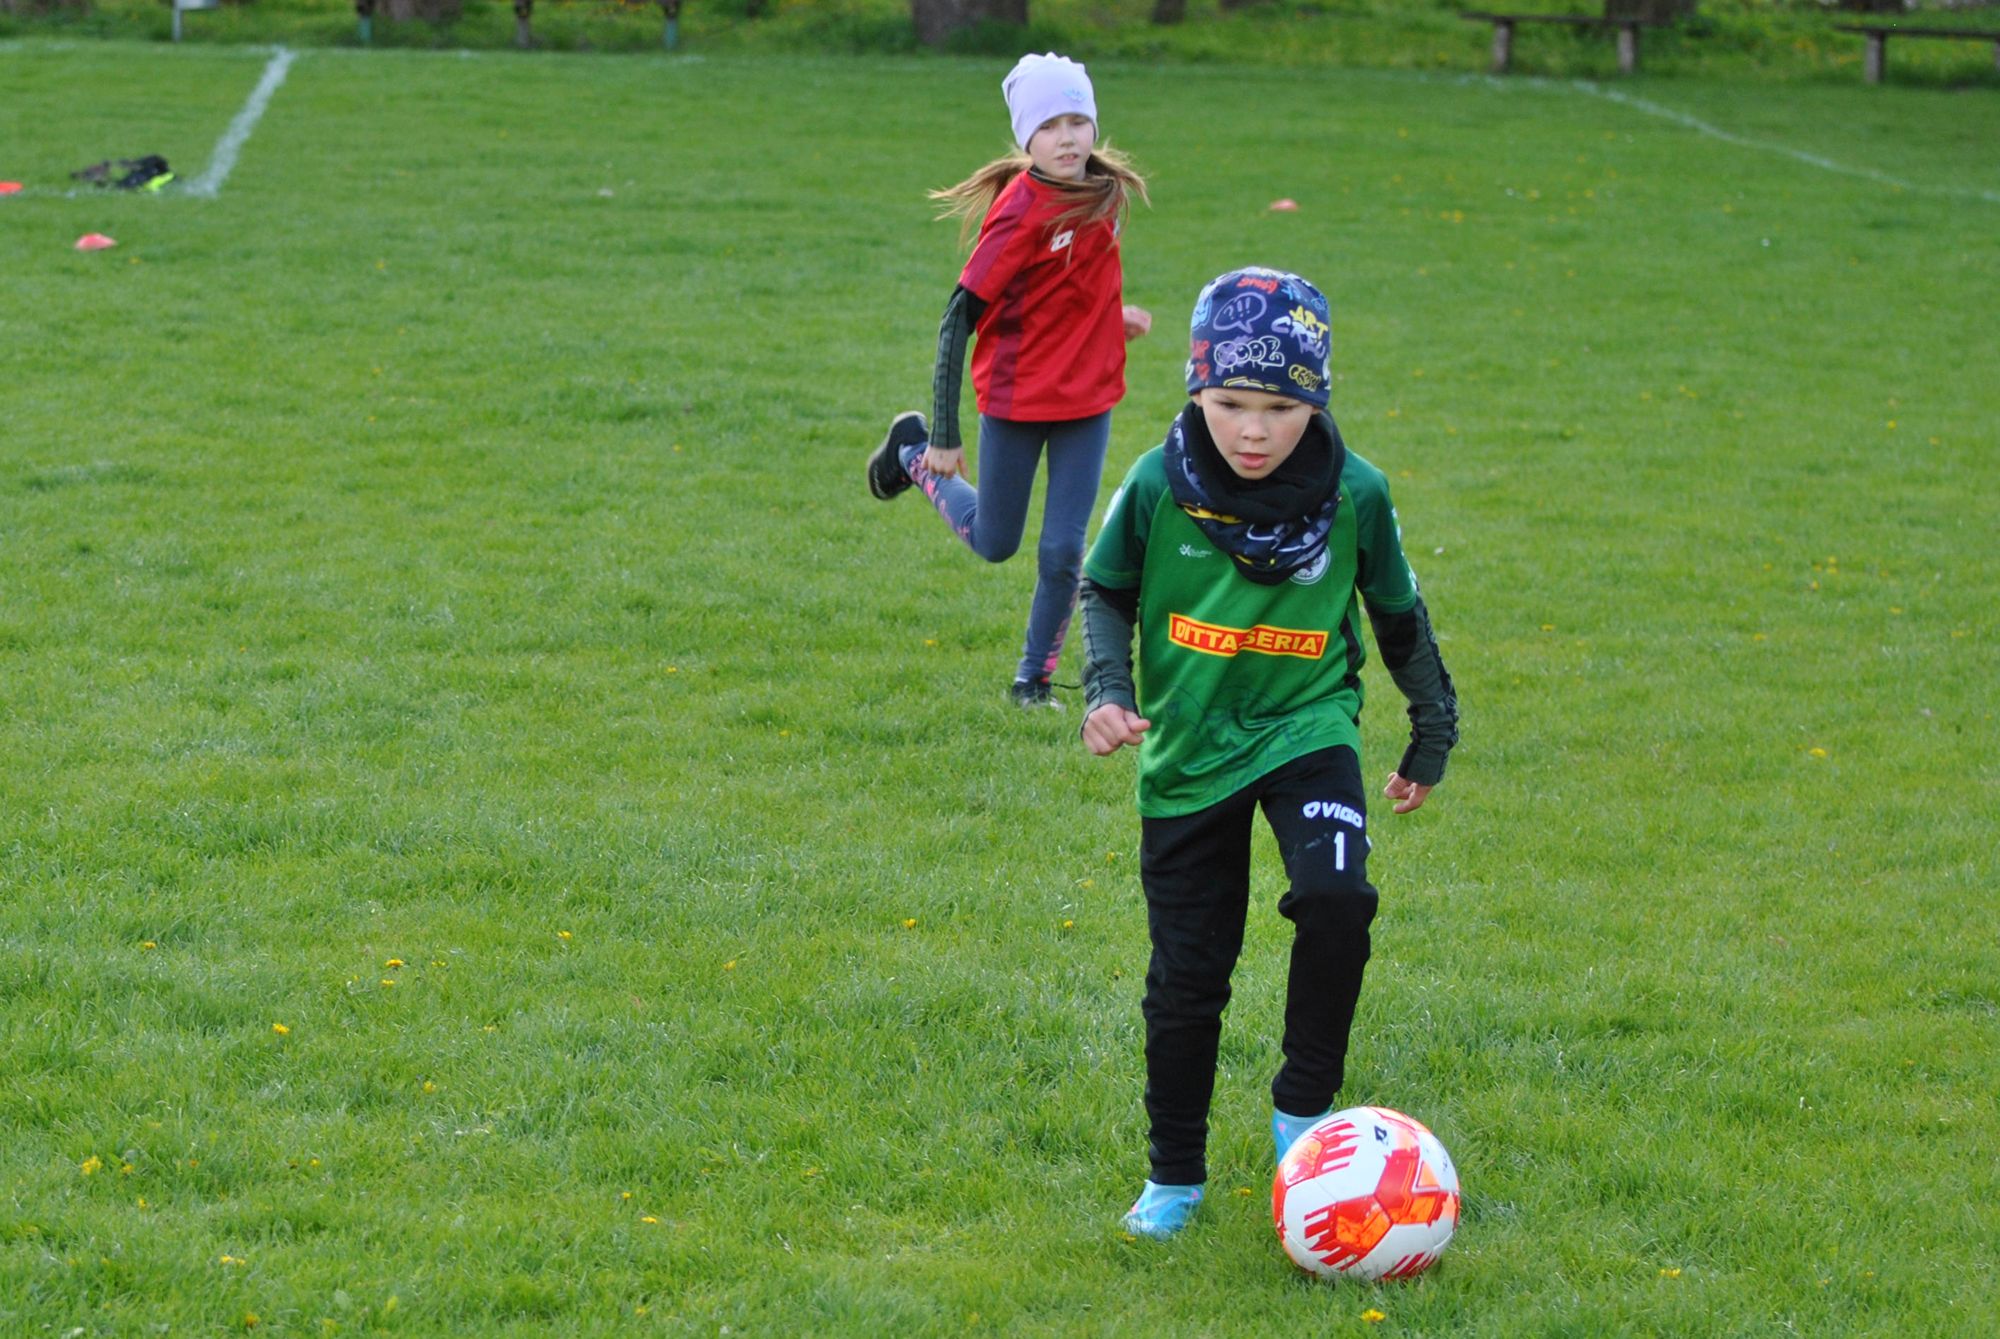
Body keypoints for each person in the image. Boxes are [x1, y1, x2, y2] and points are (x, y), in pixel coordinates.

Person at [1076, 267, 1459, 1239]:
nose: (1252, 430)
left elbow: (1399, 619)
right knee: (1186, 977)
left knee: (1338, 901)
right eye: (1228, 403)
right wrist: (1109, 693)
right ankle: (1174, 1177)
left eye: (1279, 407)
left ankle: (1305, 1118)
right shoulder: (1159, 480)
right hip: (1190, 746)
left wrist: (1431, 727)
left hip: (1305, 727)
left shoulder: (1356, 492)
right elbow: (1105, 589)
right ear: (1195, 390)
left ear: (1316, 397)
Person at [865, 52, 1151, 709]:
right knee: (997, 542)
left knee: (1063, 551)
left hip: (1087, 401)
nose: (1069, 137)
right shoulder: (1020, 214)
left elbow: (1079, 281)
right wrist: (940, 434)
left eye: (1079, 120)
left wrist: (1114, 317)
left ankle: (1033, 682)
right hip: (1017, 401)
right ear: (1028, 136)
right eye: (1051, 125)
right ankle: (909, 456)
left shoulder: (1101, 192)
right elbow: (955, 320)